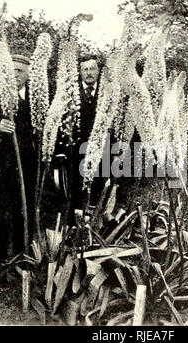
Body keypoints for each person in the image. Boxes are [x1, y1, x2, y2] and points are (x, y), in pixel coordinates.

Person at [0, 54, 36, 269]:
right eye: (11, 70)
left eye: (20, 71)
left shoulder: (35, 98)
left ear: (28, 74)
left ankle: (22, 255)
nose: (14, 75)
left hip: (26, 165)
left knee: (24, 208)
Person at [54, 54, 106, 224]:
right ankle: (73, 232)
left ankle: (93, 231)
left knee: (97, 193)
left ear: (98, 71)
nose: (89, 72)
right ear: (80, 72)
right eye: (85, 69)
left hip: (102, 154)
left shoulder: (106, 92)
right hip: (75, 153)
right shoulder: (70, 93)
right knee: (74, 193)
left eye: (92, 68)